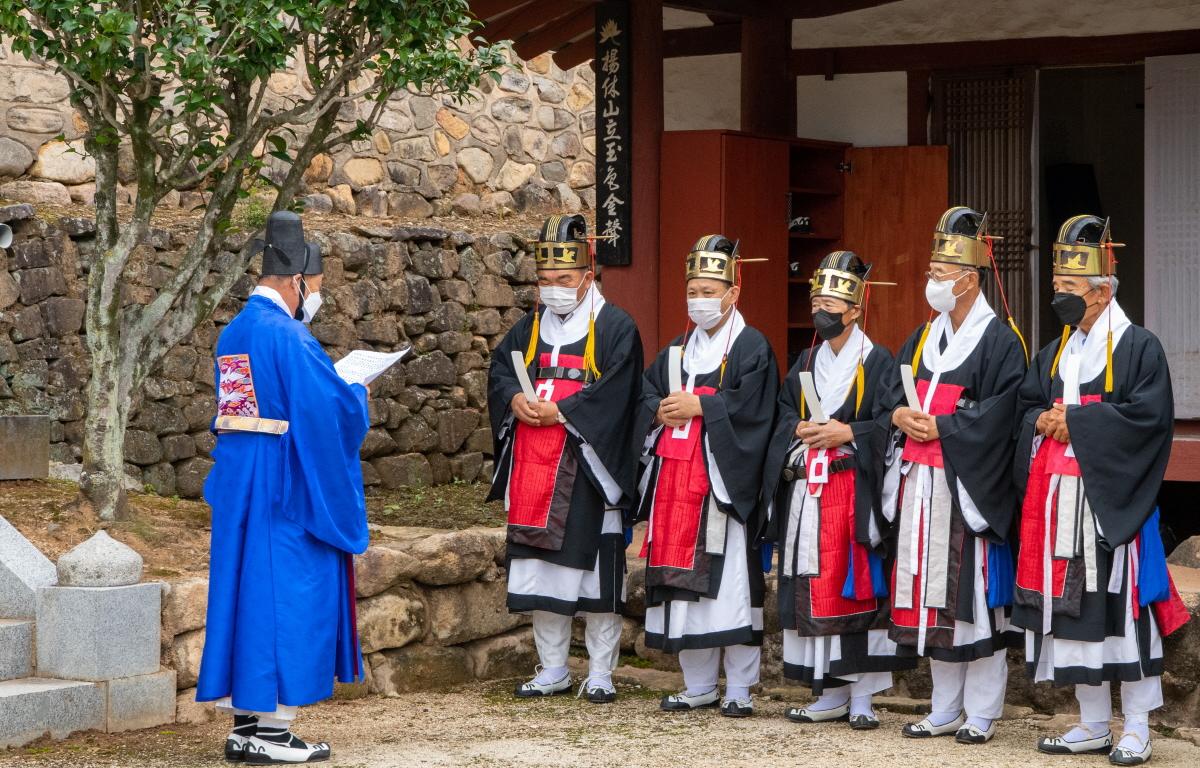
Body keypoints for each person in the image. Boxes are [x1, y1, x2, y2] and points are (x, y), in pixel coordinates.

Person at [1012, 216, 1190, 765]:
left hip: (1110, 503)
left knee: (1121, 611)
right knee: (1074, 615)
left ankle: (1136, 725)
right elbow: (1025, 406)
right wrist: (1043, 419)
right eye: (1057, 288)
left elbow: (1149, 419)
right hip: (1057, 501)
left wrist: (1080, 423)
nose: (1059, 297)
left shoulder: (1140, 347)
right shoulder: (1055, 351)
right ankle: (1091, 722)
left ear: (1102, 290)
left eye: (1069, 289)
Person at [196, 211, 369, 764]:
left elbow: (244, 408)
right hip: (283, 481)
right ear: (297, 279)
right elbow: (328, 412)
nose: (313, 297)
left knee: (247, 590)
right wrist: (358, 392)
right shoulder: (289, 336)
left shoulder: (236, 330)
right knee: (290, 590)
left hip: (241, 475)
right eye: (314, 288)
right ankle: (272, 729)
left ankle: (247, 723)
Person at [487, 214, 643, 703]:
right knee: (541, 572)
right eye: (545, 281)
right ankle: (552, 667)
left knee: (597, 575)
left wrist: (566, 411)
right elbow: (500, 371)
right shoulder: (529, 326)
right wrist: (514, 399)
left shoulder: (616, 326)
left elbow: (619, 393)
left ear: (587, 276)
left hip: (588, 467)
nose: (553, 289)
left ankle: (600, 671)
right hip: (536, 467)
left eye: (564, 280)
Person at [887, 207, 1026, 744]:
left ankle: (983, 711)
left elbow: (1001, 414)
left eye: (941, 273)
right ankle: (943, 706)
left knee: (972, 598)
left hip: (967, 484)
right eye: (931, 271)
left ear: (969, 278)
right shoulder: (924, 336)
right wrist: (899, 416)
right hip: (922, 483)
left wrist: (944, 425)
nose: (932, 281)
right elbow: (889, 398)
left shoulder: (1000, 339)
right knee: (931, 596)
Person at [762, 251, 912, 729]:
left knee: (856, 586)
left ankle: (864, 696)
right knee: (812, 582)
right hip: (810, 489)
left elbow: (889, 419)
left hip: (853, 488)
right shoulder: (806, 359)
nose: (822, 309)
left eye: (832, 302)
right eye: (817, 300)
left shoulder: (879, 359)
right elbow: (783, 411)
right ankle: (826, 689)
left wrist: (848, 433)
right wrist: (801, 426)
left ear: (855, 308)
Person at [635, 234, 779, 717]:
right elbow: (646, 394)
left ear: (732, 292)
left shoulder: (751, 345)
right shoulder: (678, 347)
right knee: (682, 587)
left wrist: (704, 405)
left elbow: (756, 410)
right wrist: (659, 410)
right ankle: (698, 684)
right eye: (693, 290)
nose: (699, 299)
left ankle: (739, 687)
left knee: (731, 582)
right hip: (676, 480)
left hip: (721, 482)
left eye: (708, 290)